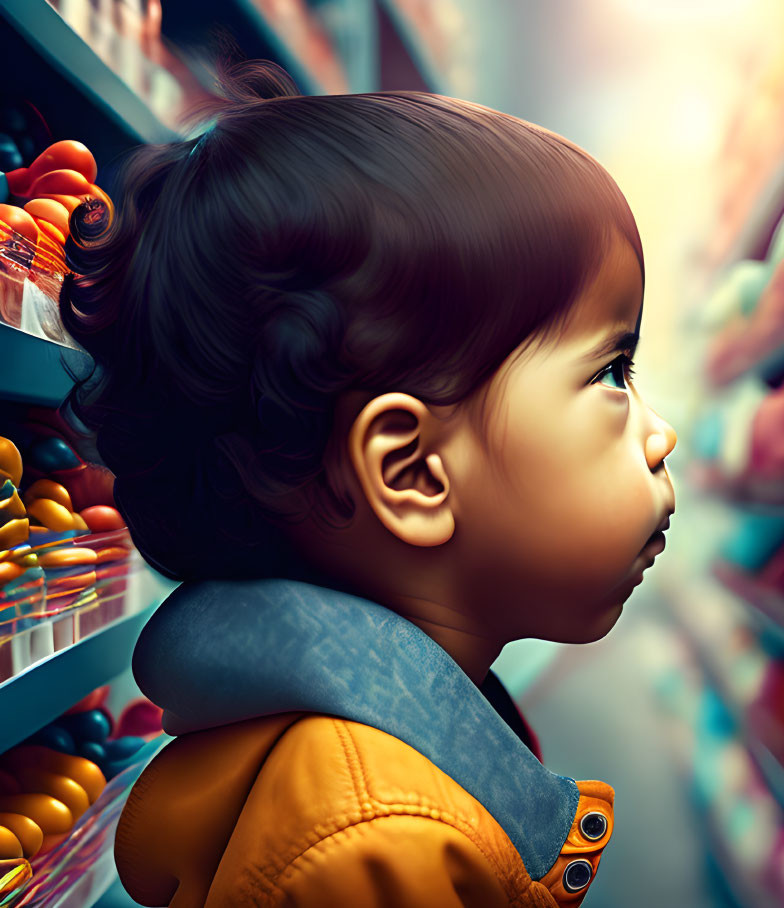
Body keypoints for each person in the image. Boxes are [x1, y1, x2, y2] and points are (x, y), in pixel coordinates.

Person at [60, 57, 675, 907]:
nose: (659, 433)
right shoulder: (373, 850)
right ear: (413, 471)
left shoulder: (405, 745)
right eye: (611, 371)